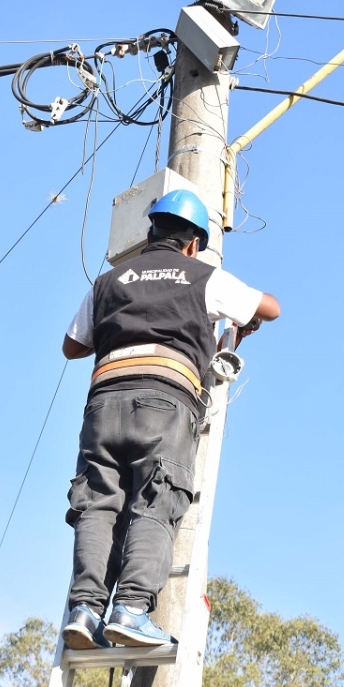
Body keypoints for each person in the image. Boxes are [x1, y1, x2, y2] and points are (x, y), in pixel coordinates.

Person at [61, 189, 280, 649]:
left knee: (97, 504)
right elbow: (271, 308)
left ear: (148, 233)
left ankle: (85, 610)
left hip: (104, 402)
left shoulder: (108, 281)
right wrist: (242, 319)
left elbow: (72, 347)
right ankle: (132, 608)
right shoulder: (203, 276)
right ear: (193, 243)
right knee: (156, 499)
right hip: (164, 401)